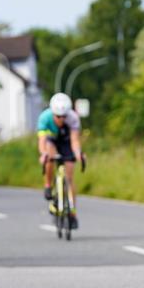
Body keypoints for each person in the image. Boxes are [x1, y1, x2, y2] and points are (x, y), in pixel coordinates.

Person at [37, 92, 84, 229]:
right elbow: (42, 141)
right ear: (53, 113)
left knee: (69, 176)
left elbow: (75, 140)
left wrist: (78, 154)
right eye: (58, 116)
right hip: (51, 141)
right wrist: (43, 154)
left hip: (65, 141)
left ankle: (72, 213)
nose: (61, 119)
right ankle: (48, 185)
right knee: (50, 155)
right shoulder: (44, 118)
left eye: (64, 116)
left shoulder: (73, 118)